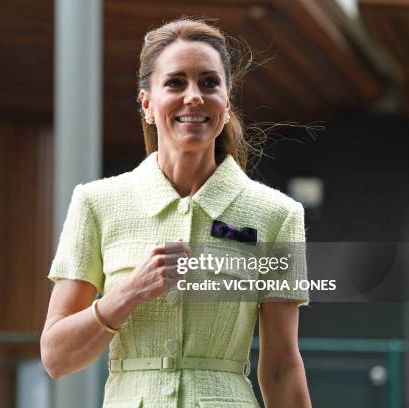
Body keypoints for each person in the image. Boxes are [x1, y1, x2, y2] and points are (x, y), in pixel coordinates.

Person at [41, 17, 312, 408]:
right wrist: (128, 293)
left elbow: (282, 366)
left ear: (226, 100)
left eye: (209, 82)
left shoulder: (277, 215)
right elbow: (56, 357)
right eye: (175, 82)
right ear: (147, 103)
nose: (194, 96)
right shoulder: (96, 203)